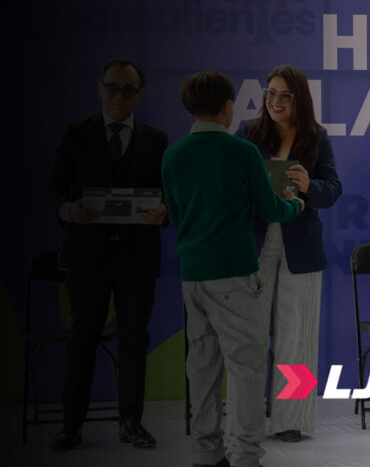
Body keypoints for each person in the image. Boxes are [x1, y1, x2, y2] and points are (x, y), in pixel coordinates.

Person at [162, 70, 304, 467]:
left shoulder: (172, 155)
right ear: (227, 107)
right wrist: (297, 205)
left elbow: (175, 214)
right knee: (246, 366)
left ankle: (205, 453)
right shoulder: (243, 153)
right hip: (235, 273)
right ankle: (244, 455)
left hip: (193, 275)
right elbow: (272, 208)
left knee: (202, 365)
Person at [47, 57, 168, 451]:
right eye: (112, 87)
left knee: (135, 341)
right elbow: (54, 189)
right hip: (87, 257)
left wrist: (165, 212)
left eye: (128, 90)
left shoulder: (156, 139)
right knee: (82, 340)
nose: (119, 96)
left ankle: (131, 423)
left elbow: (169, 198)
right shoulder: (76, 132)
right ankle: (71, 425)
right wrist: (70, 211)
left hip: (138, 258)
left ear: (139, 95)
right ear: (100, 88)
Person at [234, 65, 341, 442]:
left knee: (298, 336)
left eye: (284, 95)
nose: (275, 102)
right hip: (255, 242)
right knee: (249, 335)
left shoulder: (317, 137)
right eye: (269, 93)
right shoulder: (248, 133)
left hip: (302, 246)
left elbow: (333, 189)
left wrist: (310, 185)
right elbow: (230, 183)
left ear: (300, 99)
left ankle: (290, 419)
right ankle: (244, 418)